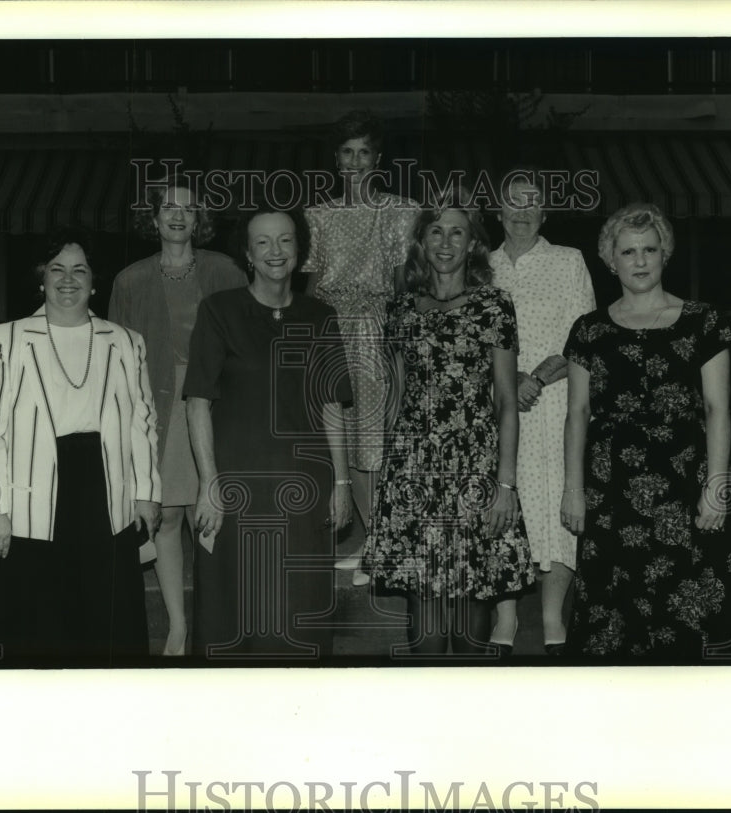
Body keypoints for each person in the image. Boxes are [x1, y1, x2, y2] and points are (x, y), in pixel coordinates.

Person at [560, 203, 731, 660]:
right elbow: (576, 414)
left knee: (702, 607)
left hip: (687, 485)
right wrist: (573, 491)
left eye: (649, 250)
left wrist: (716, 485)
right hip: (611, 492)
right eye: (628, 251)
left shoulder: (703, 321)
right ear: (610, 259)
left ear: (665, 254)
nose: (639, 261)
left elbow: (718, 409)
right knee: (614, 615)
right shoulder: (589, 331)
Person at [0, 227, 161, 665]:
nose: (68, 279)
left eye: (80, 270)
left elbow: (142, 422)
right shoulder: (3, 339)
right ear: (41, 279)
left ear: (95, 281)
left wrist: (147, 493)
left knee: (105, 622)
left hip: (106, 492)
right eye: (57, 269)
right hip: (29, 499)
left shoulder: (127, 342)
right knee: (38, 624)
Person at [363, 190, 535, 657]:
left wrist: (506, 484)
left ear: (472, 243)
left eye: (456, 231)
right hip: (414, 468)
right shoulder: (400, 309)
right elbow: (395, 397)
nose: (445, 241)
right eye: (435, 230)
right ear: (421, 241)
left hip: (475, 467)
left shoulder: (494, 306)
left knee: (470, 605)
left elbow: (505, 400)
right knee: (426, 617)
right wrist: (388, 478)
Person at [184, 203, 353, 661]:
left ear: (299, 250)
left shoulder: (322, 316)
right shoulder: (219, 312)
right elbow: (198, 401)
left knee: (297, 611)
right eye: (263, 241)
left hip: (304, 493)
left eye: (285, 240)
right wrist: (209, 484)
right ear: (248, 253)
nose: (275, 251)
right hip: (235, 492)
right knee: (230, 611)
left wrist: (341, 483)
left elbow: (332, 403)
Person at [109, 172, 247, 656]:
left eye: (188, 208)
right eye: (168, 207)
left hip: (213, 406)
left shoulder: (226, 271)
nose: (177, 214)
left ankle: (214, 623)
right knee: (166, 515)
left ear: (199, 220)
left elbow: (246, 343)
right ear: (154, 218)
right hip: (158, 409)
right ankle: (178, 625)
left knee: (207, 515)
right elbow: (116, 363)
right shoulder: (130, 280)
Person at [303, 110, 420, 586]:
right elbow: (311, 284)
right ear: (336, 159)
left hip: (375, 329)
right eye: (347, 153)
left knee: (374, 440)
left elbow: (401, 286)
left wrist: (399, 345)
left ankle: (382, 543)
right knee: (338, 438)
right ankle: (371, 542)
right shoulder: (318, 214)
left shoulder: (400, 211)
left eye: (363, 153)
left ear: (378, 159)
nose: (354, 162)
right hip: (330, 329)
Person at [489, 169, 596, 655]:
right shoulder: (480, 266)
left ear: (545, 213)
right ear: (499, 210)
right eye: (514, 202)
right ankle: (506, 616)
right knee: (503, 506)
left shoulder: (568, 260)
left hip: (553, 403)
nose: (523, 212)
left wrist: (535, 378)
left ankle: (553, 616)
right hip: (494, 404)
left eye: (534, 204)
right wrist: (507, 385)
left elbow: (583, 336)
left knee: (554, 508)